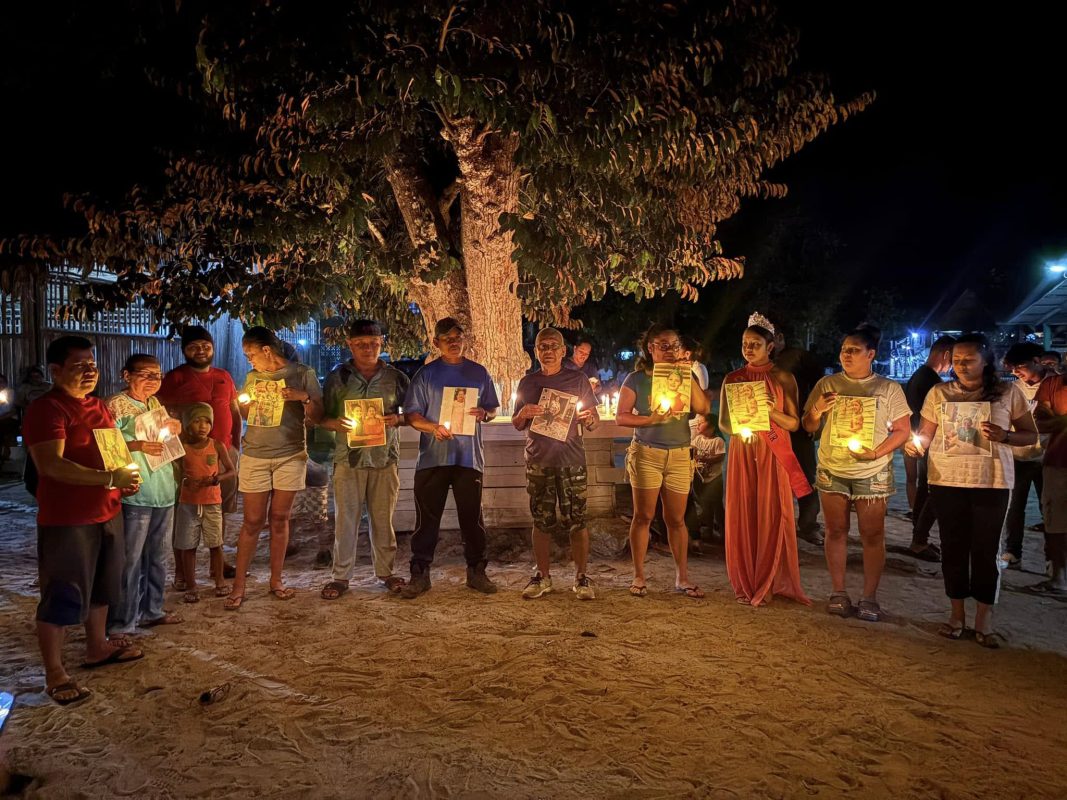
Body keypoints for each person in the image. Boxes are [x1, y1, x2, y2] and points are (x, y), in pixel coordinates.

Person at [23, 335, 144, 706]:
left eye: (92, 365)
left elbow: (111, 449)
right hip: (68, 518)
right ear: (56, 371)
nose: (90, 371)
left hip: (107, 510)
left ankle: (97, 646)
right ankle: (55, 672)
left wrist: (124, 475)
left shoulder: (98, 406)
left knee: (104, 586)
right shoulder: (48, 410)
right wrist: (110, 479)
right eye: (79, 366)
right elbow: (51, 465)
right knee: (62, 593)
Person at [905, 334, 1037, 648]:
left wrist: (1005, 435)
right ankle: (956, 614)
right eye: (957, 359)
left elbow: (1030, 436)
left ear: (986, 360)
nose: (961, 365)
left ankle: (983, 618)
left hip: (991, 483)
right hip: (946, 481)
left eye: (969, 359)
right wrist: (914, 448)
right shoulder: (939, 393)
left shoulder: (1007, 392)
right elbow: (924, 435)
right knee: (952, 548)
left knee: (985, 551)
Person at [802, 325, 911, 621]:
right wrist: (817, 411)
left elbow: (903, 431)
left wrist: (876, 453)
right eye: (843, 350)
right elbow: (808, 426)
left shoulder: (888, 389)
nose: (846, 355)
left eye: (853, 350)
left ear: (871, 354)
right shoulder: (827, 384)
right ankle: (838, 591)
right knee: (836, 531)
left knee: (872, 534)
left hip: (872, 471)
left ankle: (870, 597)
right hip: (833, 468)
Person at [400, 317, 500, 598]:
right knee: (426, 520)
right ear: (436, 343)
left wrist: (484, 414)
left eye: (458, 337)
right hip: (433, 457)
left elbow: (491, 409)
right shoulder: (426, 374)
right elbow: (411, 415)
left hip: (469, 458)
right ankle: (420, 574)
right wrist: (433, 428)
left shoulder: (479, 373)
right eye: (447, 339)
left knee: (472, 518)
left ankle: (477, 572)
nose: (453, 342)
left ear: (463, 340)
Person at [225, 327, 323, 609]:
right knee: (252, 521)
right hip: (255, 454)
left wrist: (303, 398)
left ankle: (276, 580)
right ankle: (239, 585)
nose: (249, 360)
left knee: (280, 518)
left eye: (251, 354)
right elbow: (246, 414)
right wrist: (243, 403)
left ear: (266, 350)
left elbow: (317, 415)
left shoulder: (303, 373)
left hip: (290, 454)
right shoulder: (253, 378)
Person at [719, 313, 811, 607]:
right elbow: (723, 423)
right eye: (745, 343)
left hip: (773, 454)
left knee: (771, 514)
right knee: (745, 513)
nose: (748, 349)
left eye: (755, 344)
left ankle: (770, 580)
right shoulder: (732, 379)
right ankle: (747, 579)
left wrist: (771, 411)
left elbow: (794, 423)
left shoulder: (783, 378)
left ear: (770, 346)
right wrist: (739, 429)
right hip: (743, 453)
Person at [617, 323, 710, 598]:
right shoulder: (636, 379)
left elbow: (703, 408)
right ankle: (639, 575)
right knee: (643, 515)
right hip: (647, 452)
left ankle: (682, 577)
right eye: (663, 345)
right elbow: (622, 416)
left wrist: (688, 374)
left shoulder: (684, 375)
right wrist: (650, 419)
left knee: (676, 519)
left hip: (680, 452)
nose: (670, 351)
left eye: (674, 345)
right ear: (650, 348)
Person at [318, 320, 409, 600]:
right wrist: (337, 424)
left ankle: (386, 572)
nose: (368, 348)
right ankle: (341, 576)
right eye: (360, 344)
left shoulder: (396, 378)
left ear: (382, 343)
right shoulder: (338, 378)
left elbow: (413, 412)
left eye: (373, 343)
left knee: (383, 519)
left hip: (385, 458)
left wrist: (398, 419)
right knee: (346, 521)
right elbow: (323, 417)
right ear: (350, 345)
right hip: (349, 459)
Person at [513, 328, 600, 600]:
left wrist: (588, 420)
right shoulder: (527, 383)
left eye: (553, 346)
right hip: (539, 460)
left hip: (571, 460)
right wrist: (523, 414)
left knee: (578, 520)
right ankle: (542, 576)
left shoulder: (578, 379)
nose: (547, 351)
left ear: (564, 351)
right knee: (541, 521)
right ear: (536, 351)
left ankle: (581, 577)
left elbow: (594, 421)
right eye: (542, 346)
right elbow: (517, 424)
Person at [157, 325, 243, 588]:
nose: (201, 350)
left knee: (220, 507)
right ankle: (182, 572)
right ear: (185, 350)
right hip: (188, 452)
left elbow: (234, 410)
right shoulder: (175, 378)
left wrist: (235, 445)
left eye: (205, 346)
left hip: (223, 450)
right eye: (194, 346)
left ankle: (219, 564)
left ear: (212, 347)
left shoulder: (224, 376)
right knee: (185, 509)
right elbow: (162, 412)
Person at [105, 355, 184, 632]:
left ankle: (152, 609)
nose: (153, 380)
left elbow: (164, 438)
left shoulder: (154, 403)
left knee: (158, 556)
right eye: (146, 374)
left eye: (157, 375)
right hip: (136, 491)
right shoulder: (116, 405)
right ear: (126, 375)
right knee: (130, 560)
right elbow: (108, 443)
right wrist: (137, 444)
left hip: (162, 488)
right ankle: (120, 623)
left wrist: (175, 427)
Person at [174, 403, 236, 602]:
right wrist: (186, 481)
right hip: (188, 503)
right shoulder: (181, 447)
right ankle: (192, 586)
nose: (203, 426)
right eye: (197, 420)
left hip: (212, 502)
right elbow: (175, 473)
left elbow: (231, 470)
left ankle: (219, 581)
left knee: (216, 543)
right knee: (187, 545)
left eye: (207, 421)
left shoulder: (216, 445)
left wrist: (217, 479)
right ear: (186, 424)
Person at [902, 335, 955, 560]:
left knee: (926, 490)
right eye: (955, 359)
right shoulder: (932, 382)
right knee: (933, 493)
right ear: (945, 354)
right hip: (929, 444)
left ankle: (919, 538)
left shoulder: (919, 376)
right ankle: (919, 540)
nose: (954, 365)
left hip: (921, 442)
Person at [775, 329, 827, 546]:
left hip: (798, 426)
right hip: (770, 427)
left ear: (779, 338)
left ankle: (808, 523)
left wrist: (811, 415)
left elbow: (818, 382)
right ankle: (776, 523)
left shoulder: (797, 357)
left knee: (804, 474)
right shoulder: (756, 364)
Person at [999, 343, 1050, 569]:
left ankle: (1053, 557)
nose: (1016, 372)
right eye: (1012, 369)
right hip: (1018, 457)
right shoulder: (1014, 389)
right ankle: (1013, 551)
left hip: (1047, 459)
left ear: (1037, 362)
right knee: (1014, 506)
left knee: (1049, 509)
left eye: (1020, 366)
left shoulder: (1056, 385)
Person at [1032, 369, 1067, 596]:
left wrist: (1059, 421)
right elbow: (1039, 424)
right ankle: (1058, 576)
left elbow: (1047, 421)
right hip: (1058, 461)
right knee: (1054, 522)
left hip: (1057, 460)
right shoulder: (1052, 384)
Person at [686, 414, 726, 549]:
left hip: (714, 479)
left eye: (701, 422)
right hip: (700, 478)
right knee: (704, 505)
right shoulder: (698, 439)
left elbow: (720, 457)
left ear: (711, 426)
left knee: (717, 506)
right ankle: (707, 531)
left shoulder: (718, 441)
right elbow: (692, 451)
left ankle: (723, 532)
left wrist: (703, 459)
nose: (697, 425)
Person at [0, 372, 17, 472]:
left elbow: (13, 410)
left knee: (5, 431)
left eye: (1, 382)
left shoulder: (10, 392)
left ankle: (5, 454)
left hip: (8, 419)